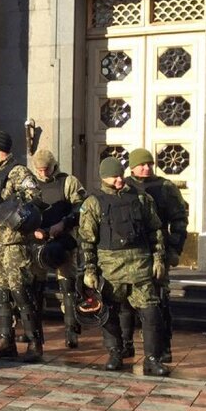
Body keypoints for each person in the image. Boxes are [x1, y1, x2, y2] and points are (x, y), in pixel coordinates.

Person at [79, 157, 169, 376]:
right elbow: (87, 240)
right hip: (110, 268)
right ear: (103, 177)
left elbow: (155, 230)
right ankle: (115, 352)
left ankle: (152, 358)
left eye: (121, 175)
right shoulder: (93, 203)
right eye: (114, 176)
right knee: (110, 313)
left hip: (140, 265)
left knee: (150, 311)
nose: (120, 180)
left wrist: (158, 258)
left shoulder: (140, 198)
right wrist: (89, 270)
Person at [0, 131, 44, 361]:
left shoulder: (17, 171)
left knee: (21, 292)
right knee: (2, 292)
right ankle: (6, 339)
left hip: (13, 242)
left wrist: (14, 210)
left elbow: (35, 195)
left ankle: (35, 342)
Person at [126, 147, 188, 361]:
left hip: (157, 252)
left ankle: (164, 346)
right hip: (130, 253)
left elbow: (179, 220)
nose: (146, 168)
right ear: (132, 166)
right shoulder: (124, 186)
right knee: (127, 301)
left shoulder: (165, 187)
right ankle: (126, 344)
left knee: (159, 300)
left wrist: (175, 249)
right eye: (141, 164)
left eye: (149, 164)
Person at [29, 149, 87, 348]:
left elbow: (82, 207)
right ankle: (34, 331)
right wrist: (32, 229)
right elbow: (23, 210)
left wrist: (64, 223)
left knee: (67, 285)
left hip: (63, 239)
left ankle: (71, 329)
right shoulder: (30, 184)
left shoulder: (68, 182)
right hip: (38, 241)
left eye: (46, 170)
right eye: (39, 170)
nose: (43, 174)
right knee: (36, 286)